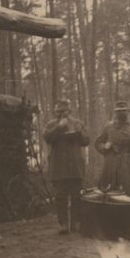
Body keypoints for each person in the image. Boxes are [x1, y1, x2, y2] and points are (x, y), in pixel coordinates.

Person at [42, 100, 90, 234]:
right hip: (59, 167)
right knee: (60, 196)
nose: (62, 114)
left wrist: (80, 132)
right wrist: (59, 127)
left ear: (69, 111)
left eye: (65, 111)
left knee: (77, 196)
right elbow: (47, 138)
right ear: (55, 112)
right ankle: (63, 224)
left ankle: (75, 223)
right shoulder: (51, 124)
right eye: (59, 112)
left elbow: (86, 141)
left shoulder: (77, 123)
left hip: (75, 166)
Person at [94, 100, 130, 196]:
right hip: (110, 163)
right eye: (119, 111)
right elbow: (98, 143)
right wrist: (105, 147)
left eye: (124, 110)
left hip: (128, 164)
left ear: (128, 112)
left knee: (127, 191)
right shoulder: (108, 127)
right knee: (107, 191)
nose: (121, 113)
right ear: (115, 112)